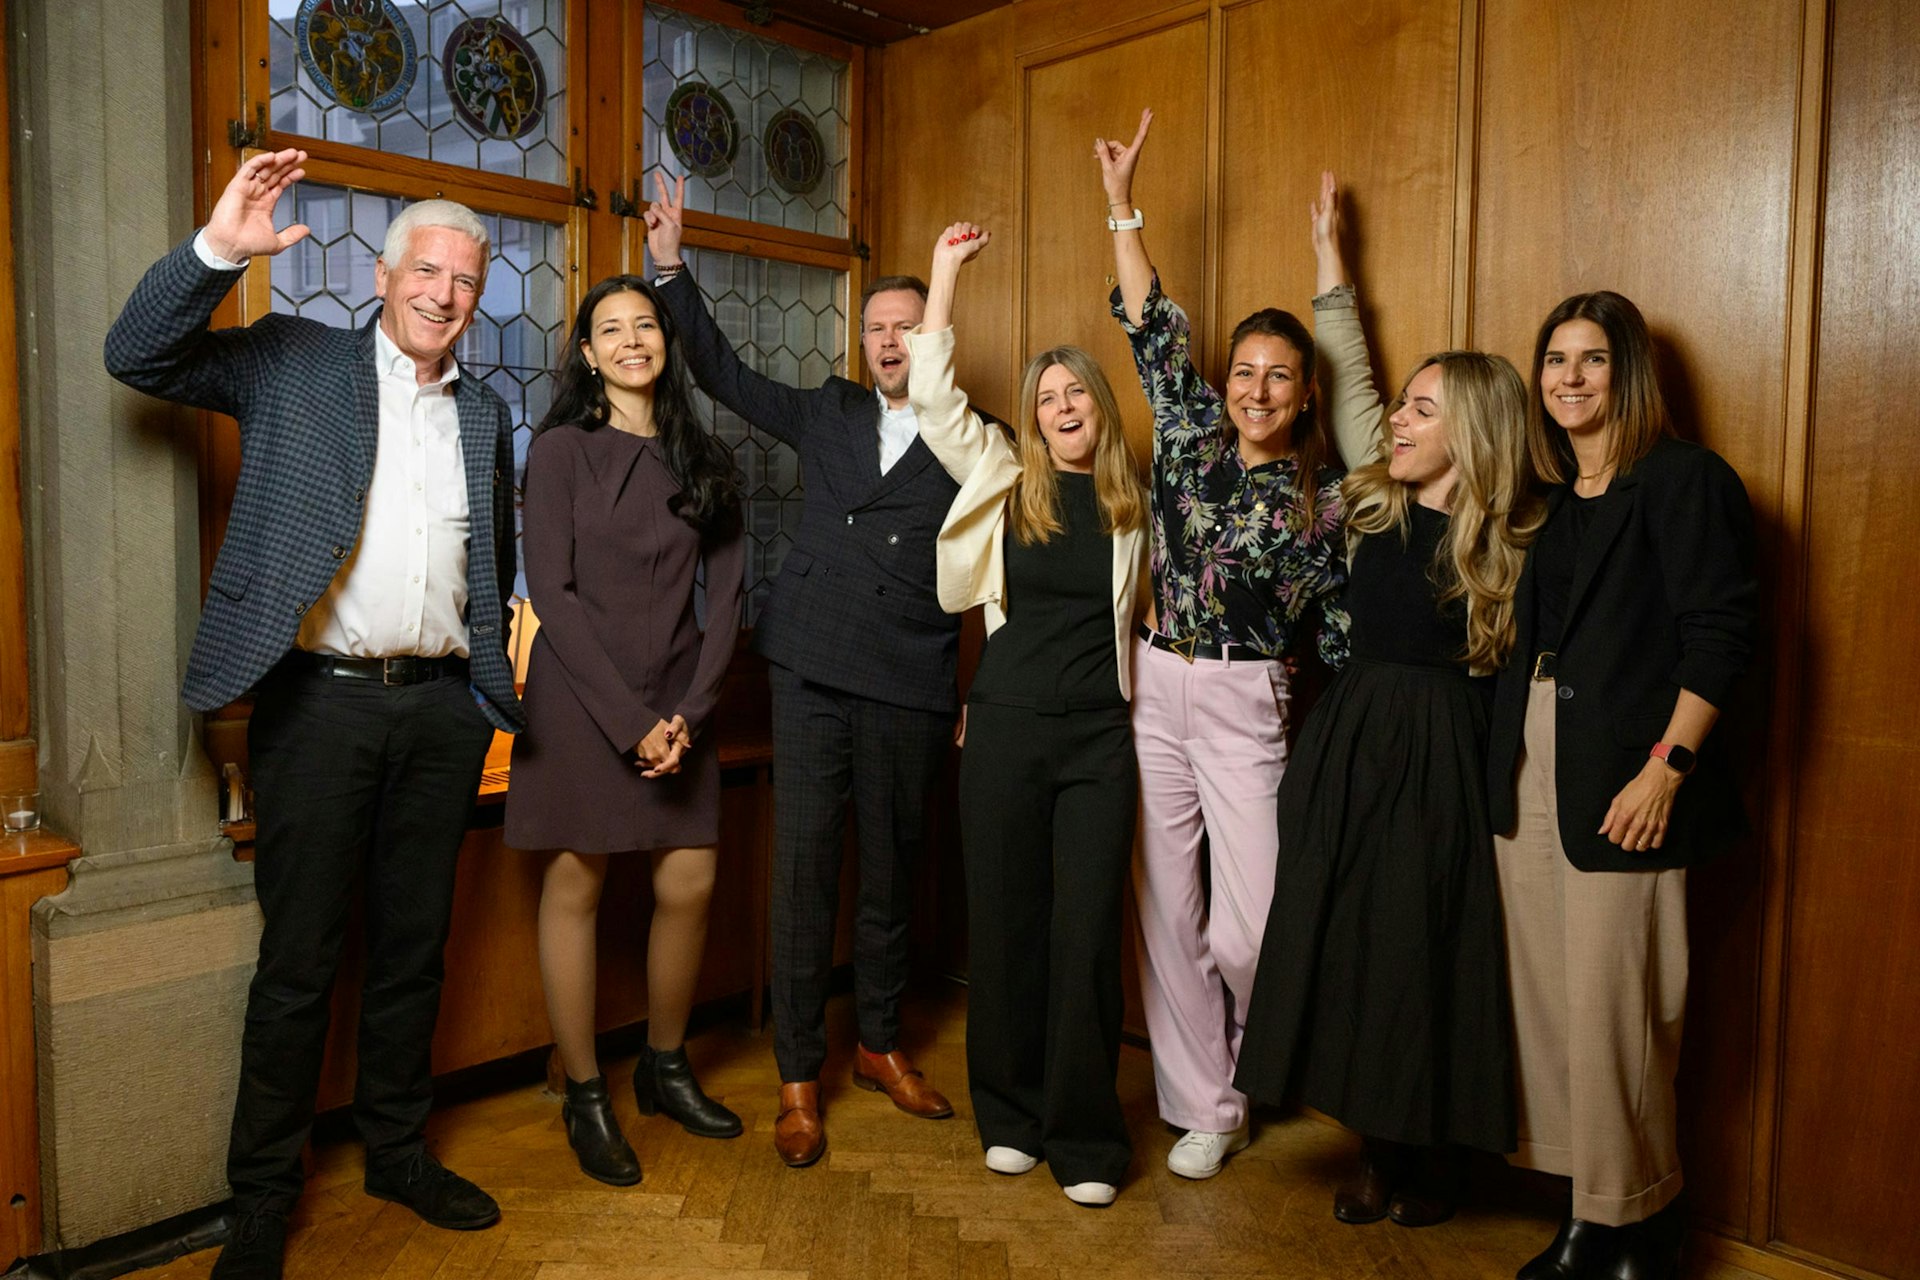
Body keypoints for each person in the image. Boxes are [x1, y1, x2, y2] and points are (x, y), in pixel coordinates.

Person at [104, 150, 523, 1280]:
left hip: (441, 715)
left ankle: (396, 1152)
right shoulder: (293, 360)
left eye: (465, 279)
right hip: (319, 709)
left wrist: (490, 697)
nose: (444, 293)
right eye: (426, 270)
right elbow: (136, 354)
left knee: (413, 954)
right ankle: (261, 1197)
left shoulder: (485, 414)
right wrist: (217, 252)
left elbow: (490, 567)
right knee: (298, 965)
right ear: (383, 277)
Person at [1235, 173, 1538, 1226]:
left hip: (1443, 754)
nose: (1398, 419)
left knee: (1423, 953)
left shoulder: (1508, 542)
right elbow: (1352, 371)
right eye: (1401, 407)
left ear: (1473, 431)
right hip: (1352, 742)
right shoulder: (1373, 498)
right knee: (1352, 946)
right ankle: (1373, 1149)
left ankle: (1429, 1154)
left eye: (1421, 409)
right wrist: (1330, 254)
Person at [642, 174, 958, 1167]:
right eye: (877, 329)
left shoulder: (970, 435)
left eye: (908, 327)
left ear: (936, 337)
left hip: (909, 668)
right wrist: (669, 267)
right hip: (813, 661)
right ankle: (796, 1076)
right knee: (806, 869)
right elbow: (724, 373)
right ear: (862, 343)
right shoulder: (830, 410)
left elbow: (1003, 560)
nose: (891, 342)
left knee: (892, 867)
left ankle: (879, 1045)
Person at [1095, 111, 1353, 1178]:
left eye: (1278, 376)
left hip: (1252, 700)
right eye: (1244, 370)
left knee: (1250, 928)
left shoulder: (1328, 500)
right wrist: (1123, 205)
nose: (1254, 389)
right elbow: (1152, 324)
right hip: (1157, 677)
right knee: (1167, 908)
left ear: (1304, 392)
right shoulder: (1190, 430)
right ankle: (1209, 1104)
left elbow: (1343, 632)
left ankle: (1259, 1059)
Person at [1489, 292, 1756, 1280]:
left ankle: (1638, 1219)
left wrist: (1665, 768)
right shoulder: (1554, 497)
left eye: (1593, 358)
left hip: (1626, 767)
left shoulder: (1686, 479)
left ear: (1629, 370)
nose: (1569, 377)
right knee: (1553, 1002)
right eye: (1555, 358)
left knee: (1620, 1005)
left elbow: (1720, 635)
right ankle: (1595, 1208)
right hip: (1531, 761)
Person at [908, 221, 1150, 1207]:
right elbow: (933, 398)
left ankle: (1084, 1133)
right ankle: (1009, 1115)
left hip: (1101, 737)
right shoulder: (1006, 477)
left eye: (1074, 391)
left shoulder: (1137, 506)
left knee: (1086, 936)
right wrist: (945, 274)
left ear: (1100, 403)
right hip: (1004, 723)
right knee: (1007, 926)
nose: (1060, 407)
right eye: (1045, 398)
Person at [506, 275, 746, 1186]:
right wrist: (630, 723)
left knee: (691, 879)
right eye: (611, 329)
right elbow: (552, 595)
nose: (632, 340)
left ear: (666, 343)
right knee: (578, 880)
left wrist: (690, 710)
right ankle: (584, 1092)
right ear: (588, 353)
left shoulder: (704, 456)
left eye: (646, 324)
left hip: (681, 699)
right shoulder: (560, 451)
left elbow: (728, 598)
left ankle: (665, 1066)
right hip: (581, 699)